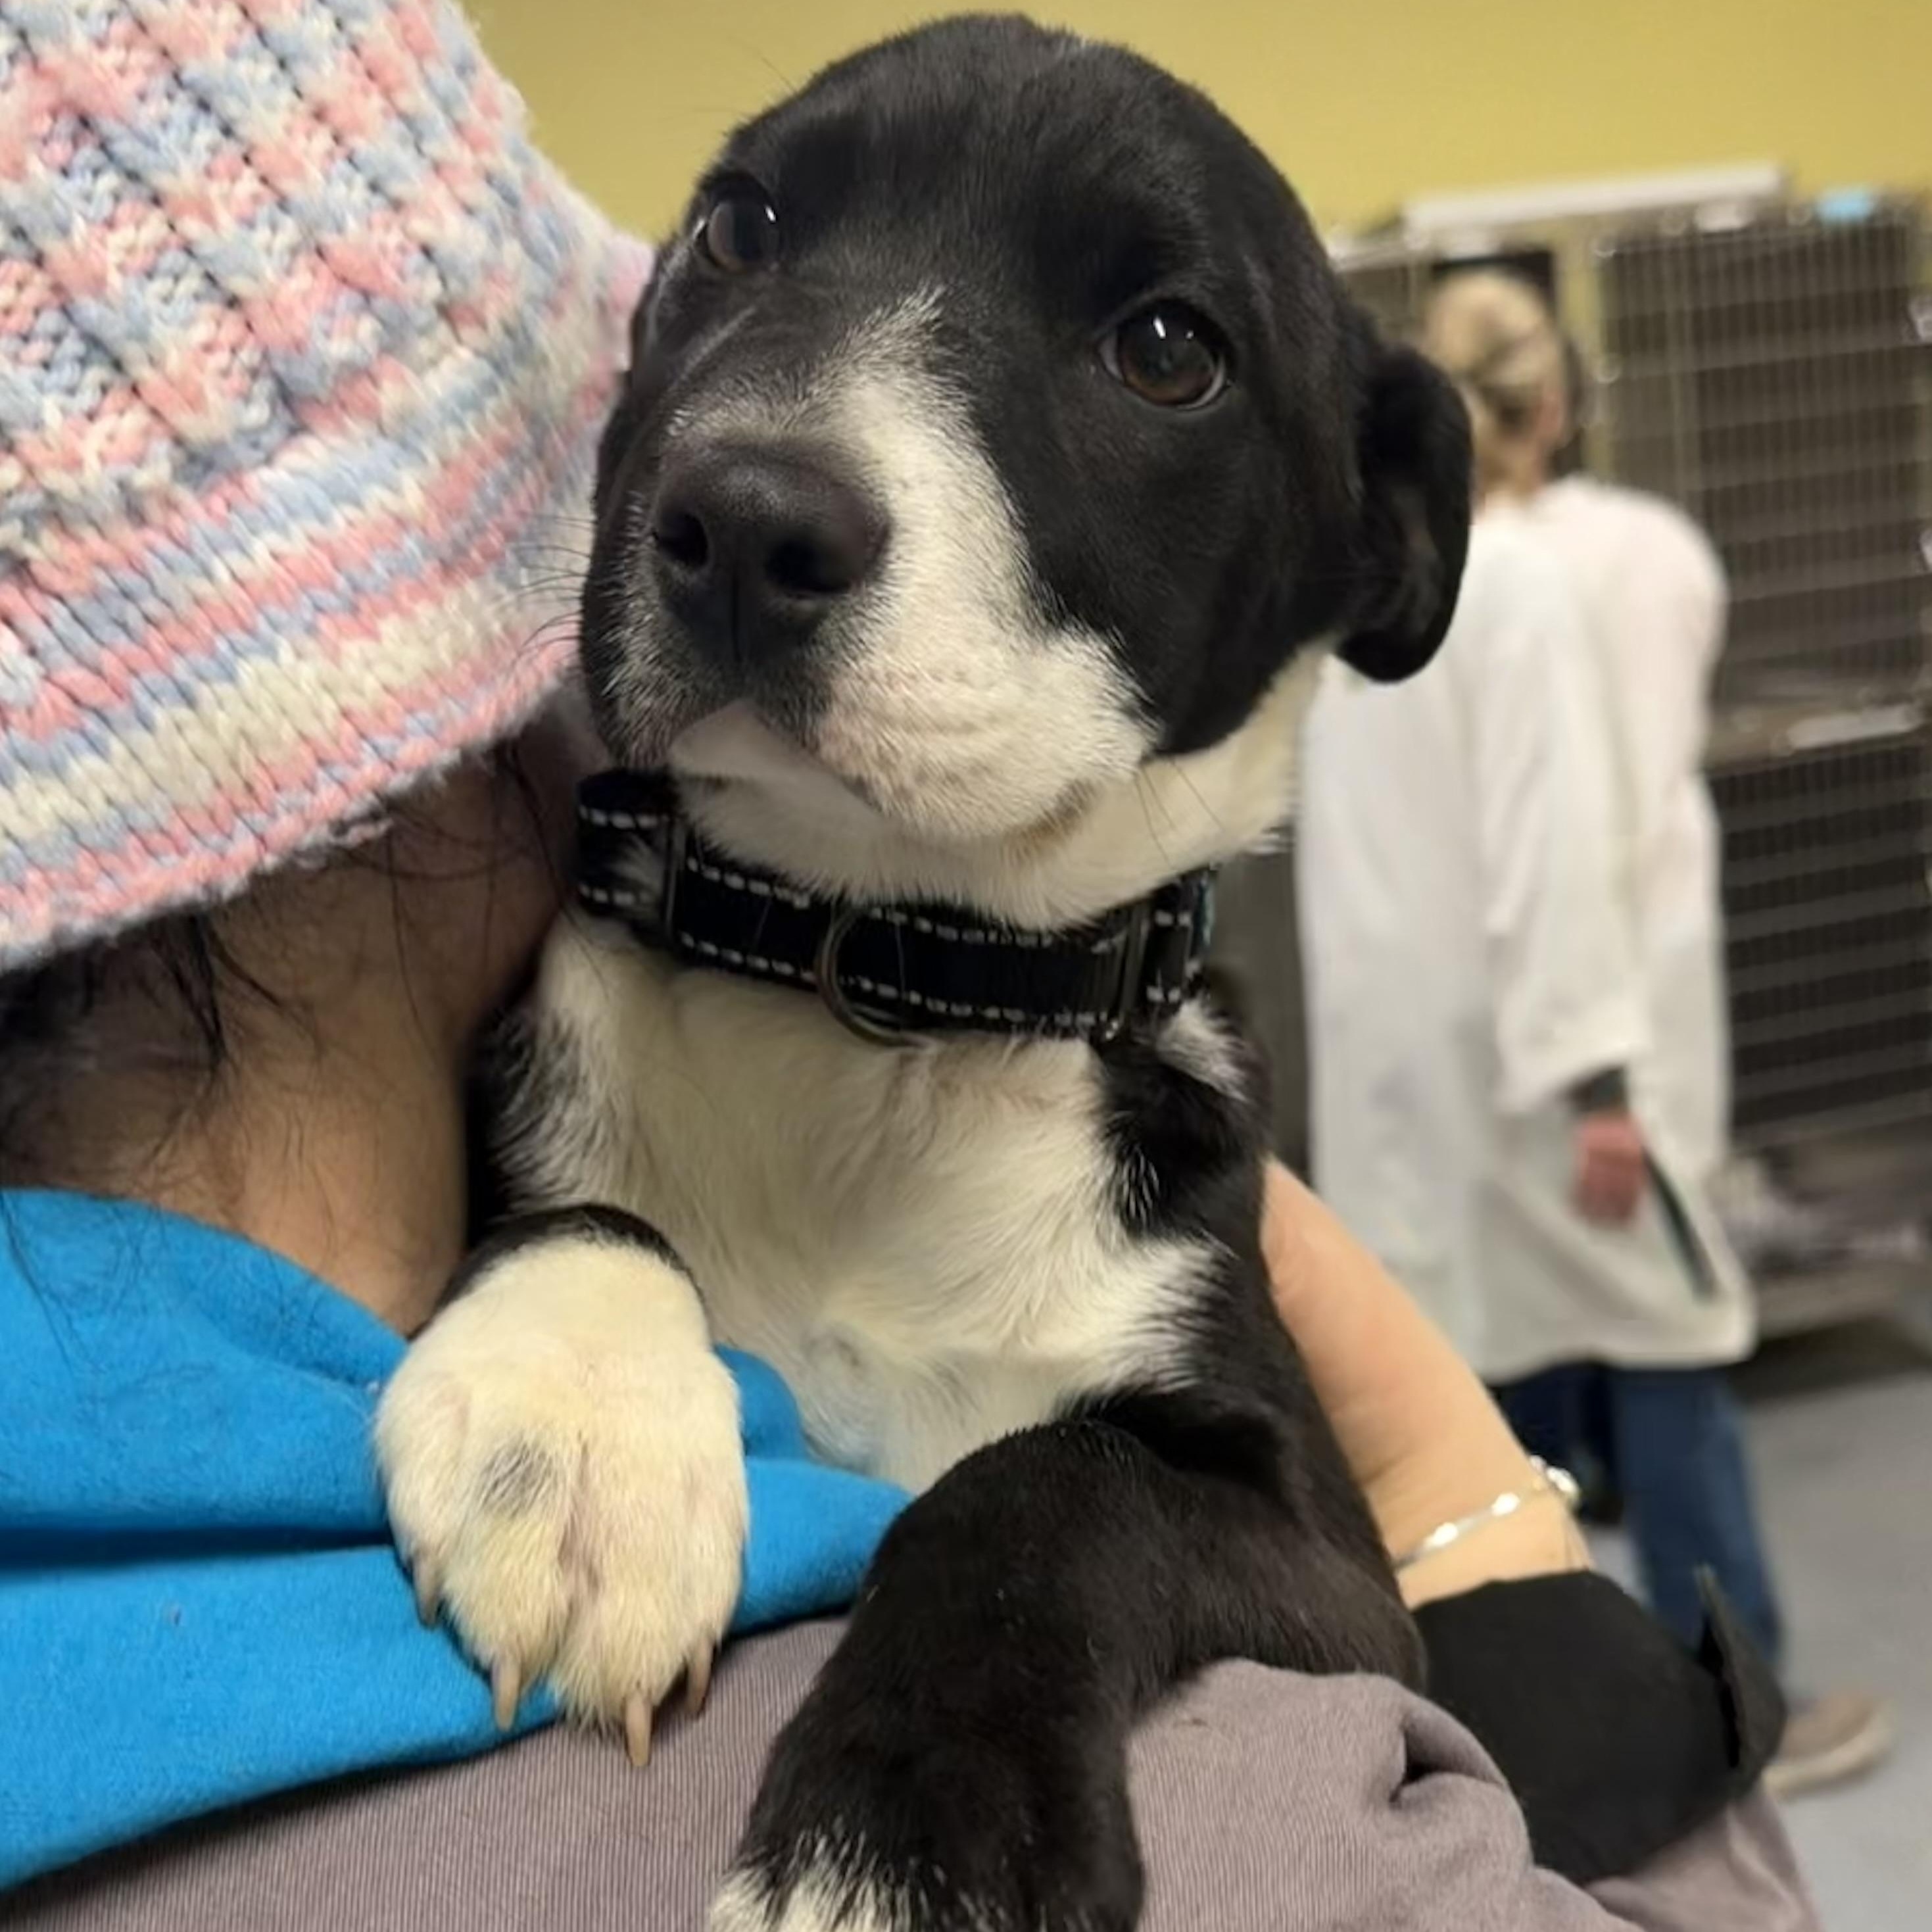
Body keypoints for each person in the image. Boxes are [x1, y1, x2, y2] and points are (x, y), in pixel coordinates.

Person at [3, 5, 1810, 1923]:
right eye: (748, 236)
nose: (761, 472)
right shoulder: (519, 1044)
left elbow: (1271, 1543)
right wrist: (574, 1268)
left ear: (1361, 541)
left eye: (1158, 345)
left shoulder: (1166, 1170)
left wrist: (1014, 1594)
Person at [1297, 267, 1889, 1800]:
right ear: (1553, 400)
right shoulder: (1535, 583)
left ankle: (1493, 1738)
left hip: (1401, 1077)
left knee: (1451, 1402)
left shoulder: (1371, 591)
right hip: (1534, 1077)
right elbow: (1546, 850)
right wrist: (1599, 1085)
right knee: (1671, 1342)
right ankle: (1738, 1704)